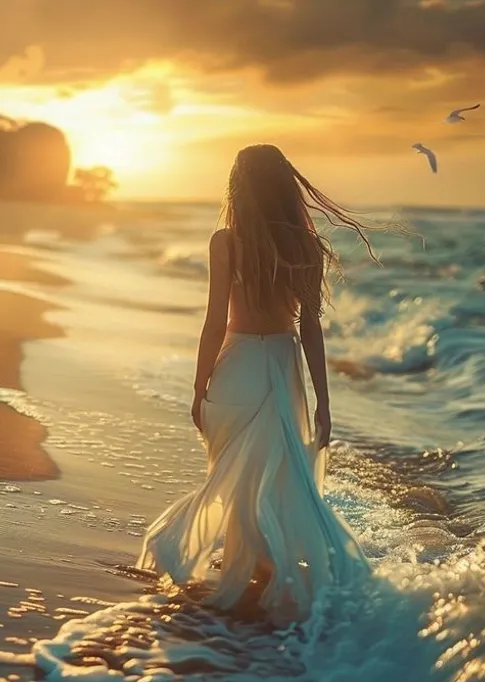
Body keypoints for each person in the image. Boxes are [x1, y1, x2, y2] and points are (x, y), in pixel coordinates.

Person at [137, 143, 374, 624]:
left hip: (237, 366)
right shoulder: (304, 246)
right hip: (282, 367)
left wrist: (199, 387)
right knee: (274, 478)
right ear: (284, 188)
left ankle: (251, 568)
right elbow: (311, 329)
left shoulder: (225, 241)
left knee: (238, 477)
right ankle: (263, 573)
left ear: (238, 188)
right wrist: (323, 403)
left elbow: (213, 322)